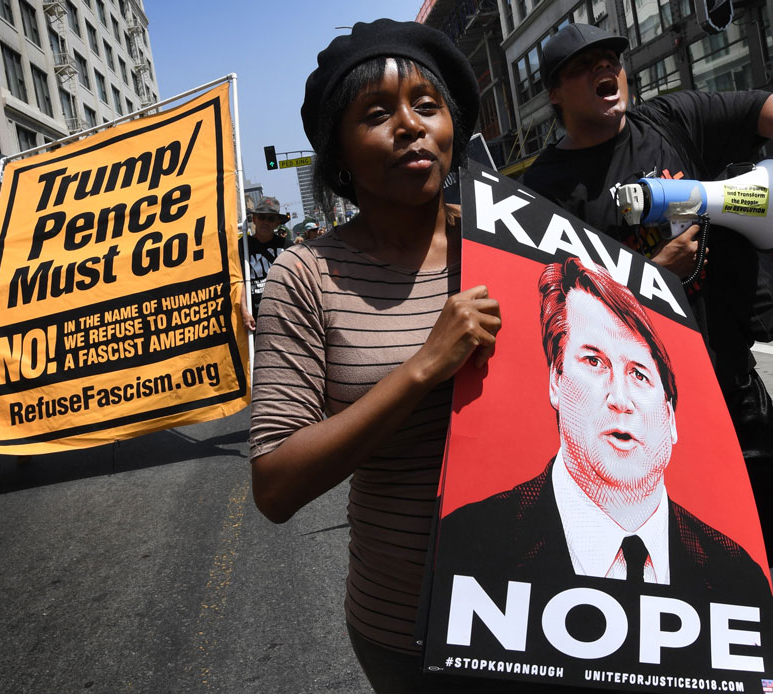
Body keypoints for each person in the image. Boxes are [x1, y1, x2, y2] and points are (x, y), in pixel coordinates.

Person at [250, 19, 624, 694]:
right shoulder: (304, 277)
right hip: (411, 630)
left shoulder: (525, 244)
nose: (410, 126)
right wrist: (423, 368)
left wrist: (709, 605)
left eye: (427, 106)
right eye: (376, 113)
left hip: (564, 611)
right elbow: (276, 485)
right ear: (339, 148)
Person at [521, 23, 773, 685]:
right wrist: (653, 272)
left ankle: (752, 627)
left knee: (754, 493)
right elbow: (561, 303)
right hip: (634, 389)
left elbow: (756, 107)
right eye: (586, 68)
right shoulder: (545, 187)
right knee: (669, 516)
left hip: (719, 358)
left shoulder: (668, 116)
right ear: (555, 94)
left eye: (611, 61)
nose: (607, 72)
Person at [440, 259, 768, 599]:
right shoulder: (468, 543)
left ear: (670, 416)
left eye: (640, 373)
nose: (619, 398)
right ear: (556, 380)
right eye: (594, 361)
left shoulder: (737, 574)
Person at [243, 196, 292, 330]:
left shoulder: (288, 246)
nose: (266, 222)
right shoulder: (241, 247)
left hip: (285, 314)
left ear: (277, 223)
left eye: (271, 218)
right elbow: (237, 282)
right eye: (262, 217)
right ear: (254, 220)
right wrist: (244, 310)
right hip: (253, 319)